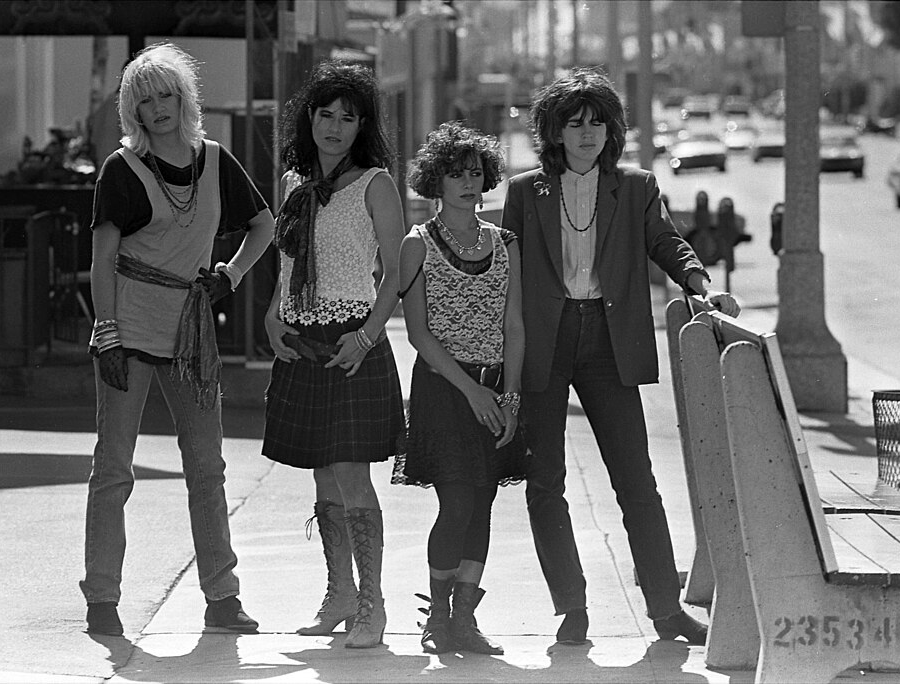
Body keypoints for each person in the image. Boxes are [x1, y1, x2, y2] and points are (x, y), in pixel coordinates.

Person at [501, 68, 740, 646]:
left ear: (613, 131)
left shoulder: (636, 187)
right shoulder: (523, 191)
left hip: (609, 342)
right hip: (545, 341)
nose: (586, 133)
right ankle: (572, 609)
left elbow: (667, 242)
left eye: (597, 122)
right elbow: (506, 274)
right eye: (573, 123)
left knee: (636, 480)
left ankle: (665, 609)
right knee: (545, 481)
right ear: (553, 133)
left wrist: (699, 285)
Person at [81, 43, 275, 637]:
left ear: (185, 99)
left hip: (191, 332)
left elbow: (264, 223)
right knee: (115, 468)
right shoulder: (121, 168)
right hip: (130, 330)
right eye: (146, 99)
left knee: (206, 468)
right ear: (132, 109)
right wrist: (106, 334)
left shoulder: (216, 160)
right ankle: (102, 600)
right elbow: (103, 259)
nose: (158, 107)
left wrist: (232, 275)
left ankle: (222, 597)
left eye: (168, 95)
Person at [262, 60, 406, 649]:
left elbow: (397, 273)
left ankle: (372, 603)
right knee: (323, 478)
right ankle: (339, 591)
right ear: (310, 119)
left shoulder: (377, 183)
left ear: (361, 126)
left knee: (351, 479)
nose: (335, 126)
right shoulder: (295, 184)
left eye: (348, 118)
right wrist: (273, 314)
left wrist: (368, 336)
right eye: (326, 114)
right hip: (300, 342)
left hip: (354, 340)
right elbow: (289, 261)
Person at [391, 121, 527, 656]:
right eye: (456, 174)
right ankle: (438, 617)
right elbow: (419, 335)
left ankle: (466, 619)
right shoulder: (416, 244)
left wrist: (510, 398)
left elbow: (514, 326)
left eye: (476, 173)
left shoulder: (504, 243)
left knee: (485, 502)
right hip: (445, 392)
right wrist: (473, 392)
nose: (468, 183)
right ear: (436, 181)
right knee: (457, 503)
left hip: (497, 389)